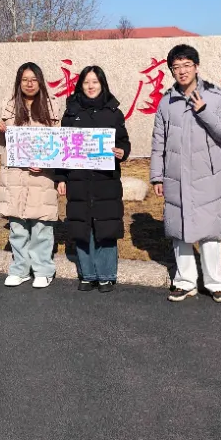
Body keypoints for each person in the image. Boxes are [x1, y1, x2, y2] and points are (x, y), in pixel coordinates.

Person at [150, 44, 221, 303]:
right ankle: (184, 282)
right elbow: (158, 141)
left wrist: (204, 110)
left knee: (210, 231)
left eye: (187, 65)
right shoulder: (167, 102)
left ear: (196, 67)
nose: (182, 71)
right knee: (180, 230)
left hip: (206, 175)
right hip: (175, 175)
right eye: (176, 67)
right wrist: (157, 176)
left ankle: (215, 283)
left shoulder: (216, 97)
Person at [56, 66, 131, 293]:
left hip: (105, 179)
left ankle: (106, 275)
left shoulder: (113, 112)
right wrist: (61, 178)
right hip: (78, 179)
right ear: (80, 85)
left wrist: (122, 152)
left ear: (102, 84)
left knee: (106, 226)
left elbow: (124, 142)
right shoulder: (71, 113)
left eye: (95, 82)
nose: (91, 86)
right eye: (86, 82)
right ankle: (87, 274)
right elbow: (62, 147)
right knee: (82, 226)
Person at [0, 62, 62, 289]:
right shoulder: (9, 106)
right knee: (17, 226)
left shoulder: (52, 107)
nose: (29, 84)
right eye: (25, 80)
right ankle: (19, 269)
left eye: (33, 79)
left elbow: (60, 142)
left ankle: (43, 270)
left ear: (40, 82)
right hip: (14, 175)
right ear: (19, 83)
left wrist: (47, 163)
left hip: (42, 176)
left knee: (41, 226)